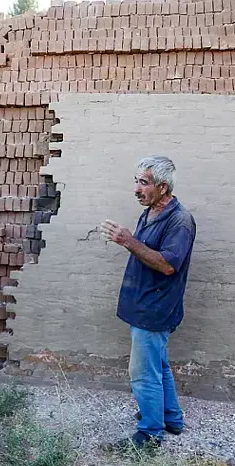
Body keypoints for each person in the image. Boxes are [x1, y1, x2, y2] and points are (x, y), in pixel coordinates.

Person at [100, 156, 196, 450]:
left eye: (143, 182)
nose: (136, 189)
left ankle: (150, 434)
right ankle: (171, 418)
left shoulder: (180, 221)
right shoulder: (150, 212)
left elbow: (167, 265)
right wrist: (130, 241)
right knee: (159, 365)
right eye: (136, 181)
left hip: (156, 309)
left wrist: (128, 241)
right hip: (144, 305)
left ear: (163, 187)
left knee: (142, 373)